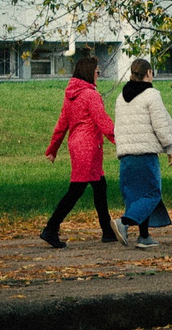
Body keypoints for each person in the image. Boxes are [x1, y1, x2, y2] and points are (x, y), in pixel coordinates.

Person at [41, 50, 117, 248]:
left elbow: (61, 125)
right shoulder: (91, 95)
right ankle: (50, 228)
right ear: (89, 72)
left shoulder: (71, 96)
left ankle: (107, 231)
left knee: (100, 186)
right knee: (76, 190)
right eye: (97, 72)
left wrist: (53, 148)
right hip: (89, 147)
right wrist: (121, 140)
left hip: (77, 146)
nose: (98, 75)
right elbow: (104, 122)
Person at [111, 57, 172, 249]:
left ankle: (144, 236)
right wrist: (170, 147)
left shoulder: (120, 97)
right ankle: (123, 223)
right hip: (145, 153)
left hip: (126, 155)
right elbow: (160, 125)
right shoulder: (151, 95)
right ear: (148, 73)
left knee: (136, 196)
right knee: (151, 194)